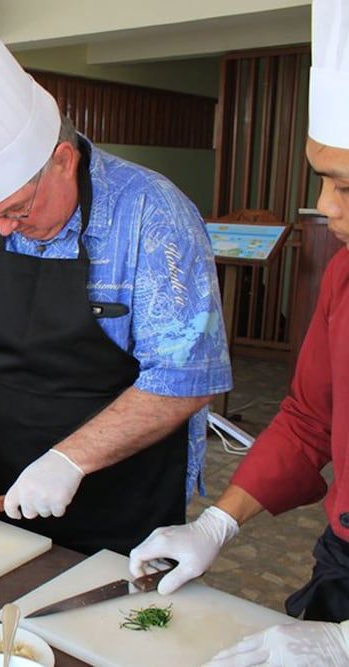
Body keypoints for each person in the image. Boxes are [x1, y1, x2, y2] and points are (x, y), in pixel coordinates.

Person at [0, 0, 231, 554]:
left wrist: (69, 459)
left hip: (120, 496)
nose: (5, 231)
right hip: (1, 486)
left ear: (64, 159)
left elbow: (186, 378)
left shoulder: (152, 214)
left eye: (16, 210)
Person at [129, 1, 349, 663]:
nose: (327, 205)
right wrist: (218, 522)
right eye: (322, 180)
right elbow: (311, 417)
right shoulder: (343, 275)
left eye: (343, 182)